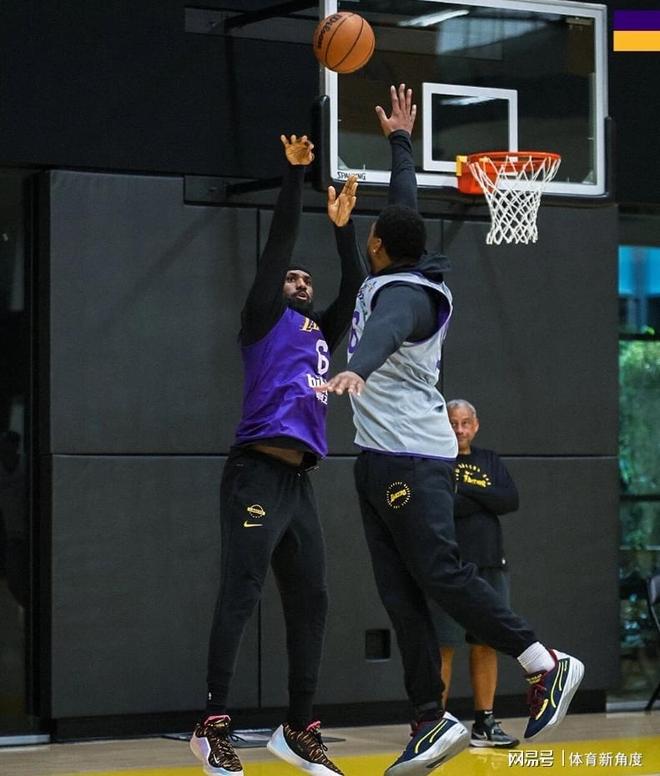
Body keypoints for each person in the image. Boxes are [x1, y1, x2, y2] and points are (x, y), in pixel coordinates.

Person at [319, 84, 584, 776]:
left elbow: (385, 330)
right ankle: (429, 719)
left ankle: (544, 662)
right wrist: (401, 143)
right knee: (400, 593)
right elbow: (405, 205)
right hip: (378, 459)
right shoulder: (399, 262)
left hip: (412, 458)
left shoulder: (408, 296)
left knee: (438, 572)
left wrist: (356, 370)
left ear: (377, 244)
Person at [190, 134, 364, 776]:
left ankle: (298, 728)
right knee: (241, 592)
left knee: (312, 601)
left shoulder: (320, 331)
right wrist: (295, 179)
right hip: (255, 472)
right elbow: (278, 245)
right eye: (293, 276)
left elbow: (355, 285)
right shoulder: (263, 317)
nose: (299, 280)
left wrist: (342, 228)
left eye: (305, 280)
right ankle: (211, 726)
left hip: (299, 484)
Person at [431, 399, 520, 748]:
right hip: (449, 566)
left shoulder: (489, 459)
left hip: (491, 564)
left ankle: (484, 724)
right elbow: (444, 505)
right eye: (453, 422)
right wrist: (485, 494)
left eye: (465, 422)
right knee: (444, 645)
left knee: (487, 643)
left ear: (476, 425)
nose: (459, 429)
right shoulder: (436, 460)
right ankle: (433, 725)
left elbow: (509, 500)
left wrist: (465, 490)